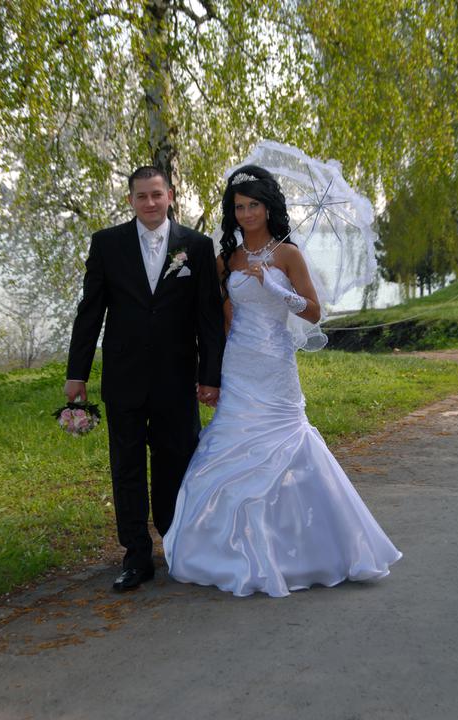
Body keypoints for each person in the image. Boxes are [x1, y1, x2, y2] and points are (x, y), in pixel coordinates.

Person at [163, 165, 402, 597]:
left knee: (289, 444)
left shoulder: (288, 254)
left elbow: (313, 312)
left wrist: (276, 289)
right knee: (227, 447)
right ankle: (222, 550)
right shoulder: (227, 260)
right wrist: (209, 373)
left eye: (254, 205)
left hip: (275, 366)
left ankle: (307, 549)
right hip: (238, 366)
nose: (247, 214)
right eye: (240, 207)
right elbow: (218, 322)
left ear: (269, 207)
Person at [65, 166, 226, 592]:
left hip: (177, 378)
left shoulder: (197, 246)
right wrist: (76, 373)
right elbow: (90, 312)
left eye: (157, 194)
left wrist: (210, 375)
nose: (150, 202)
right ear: (131, 200)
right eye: (142, 196)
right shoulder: (107, 244)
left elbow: (209, 318)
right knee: (127, 468)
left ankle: (176, 543)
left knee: (176, 463)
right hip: (125, 377)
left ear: (170, 195)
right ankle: (136, 556)